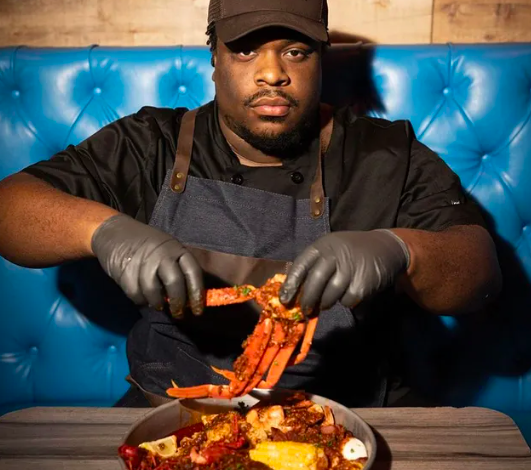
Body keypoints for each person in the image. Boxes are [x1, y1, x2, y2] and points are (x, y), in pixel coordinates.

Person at [0, 0, 501, 408]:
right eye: (245, 51)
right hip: (172, 410)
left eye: (296, 51)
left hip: (344, 413)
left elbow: (479, 276)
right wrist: (103, 231)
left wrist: (401, 250)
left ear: (321, 59)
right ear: (214, 58)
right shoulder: (149, 143)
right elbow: (11, 209)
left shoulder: (385, 154)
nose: (272, 73)